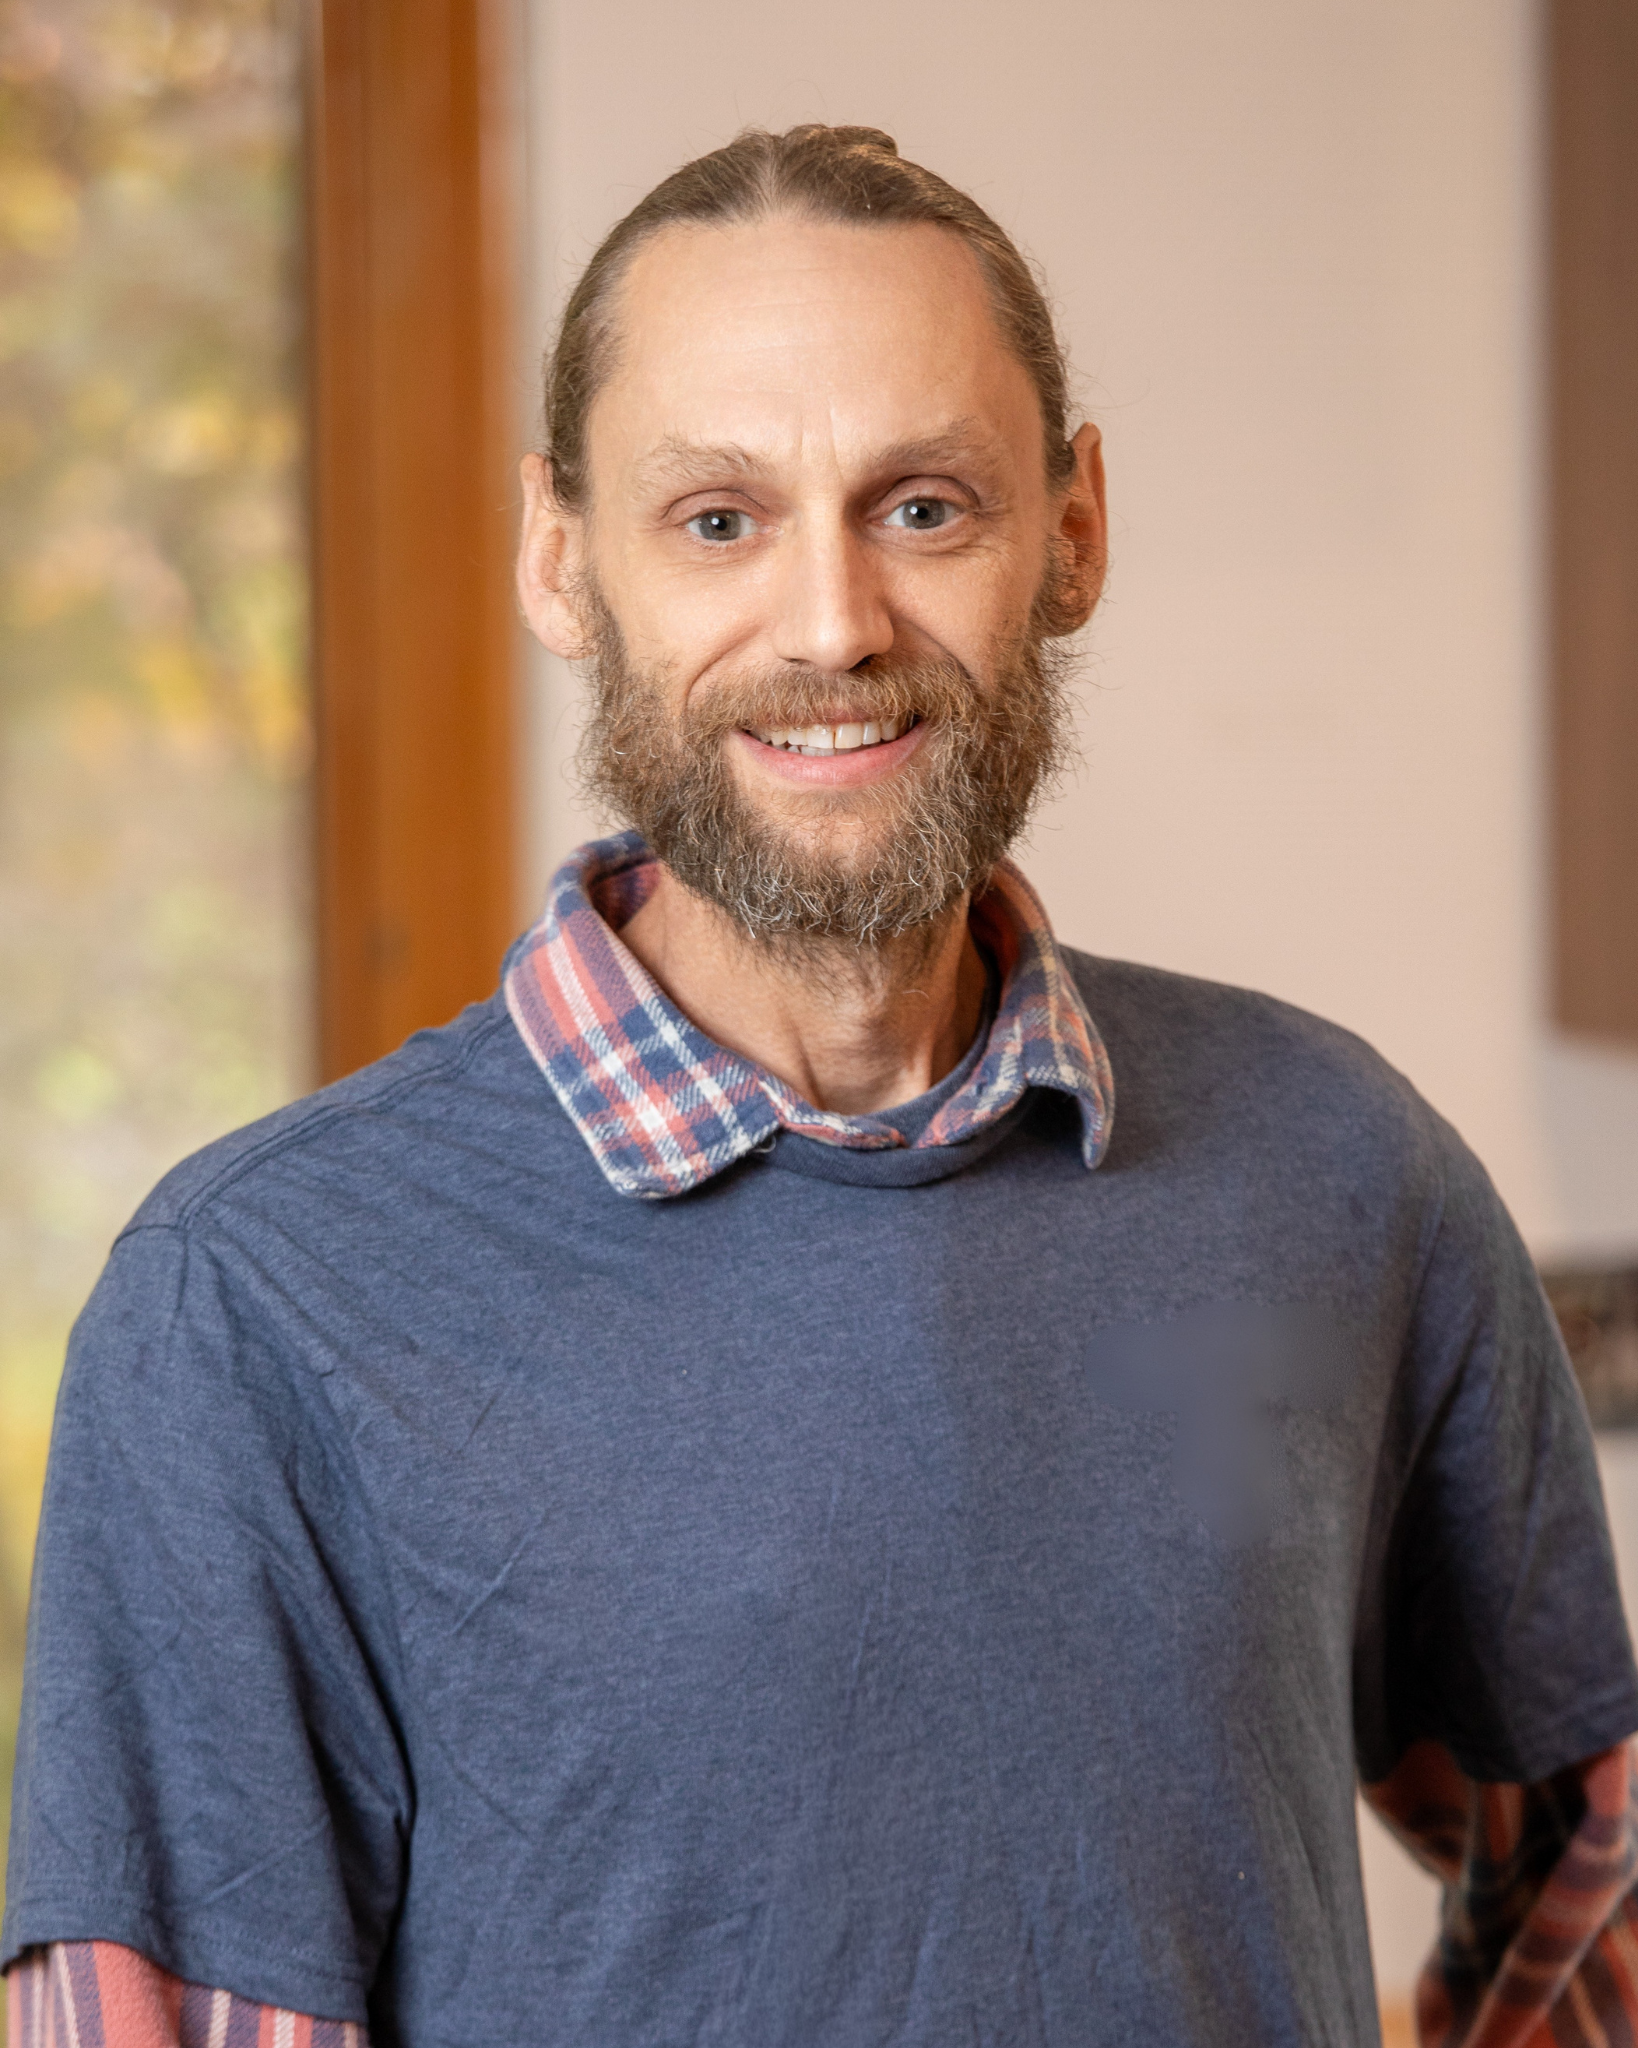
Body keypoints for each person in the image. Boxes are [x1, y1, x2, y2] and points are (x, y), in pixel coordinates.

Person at [5, 124, 1637, 2048]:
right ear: (558, 558)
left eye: (923, 506)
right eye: (717, 519)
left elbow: (1585, 1852)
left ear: (1076, 528)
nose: (831, 623)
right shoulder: (255, 1300)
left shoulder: (1342, 1168)